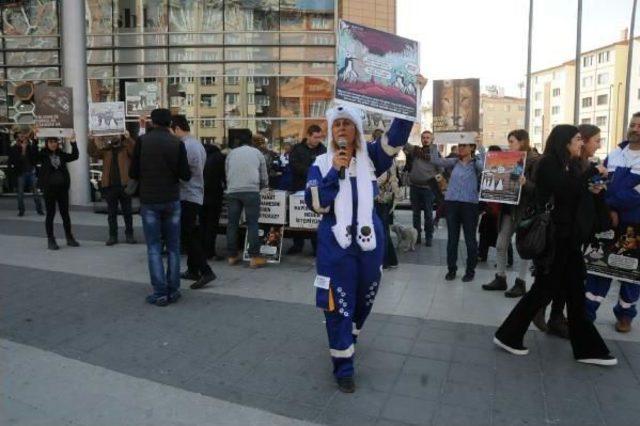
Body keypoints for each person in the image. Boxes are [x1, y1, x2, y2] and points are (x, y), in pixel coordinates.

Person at [305, 101, 416, 393]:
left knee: (362, 302)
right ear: (331, 131)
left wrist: (410, 95)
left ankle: (348, 339)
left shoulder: (372, 158)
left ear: (356, 129)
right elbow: (317, 204)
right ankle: (343, 367)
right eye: (337, 124)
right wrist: (334, 172)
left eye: (347, 123)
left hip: (369, 246)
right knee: (337, 304)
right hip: (335, 249)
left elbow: (397, 136)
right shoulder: (320, 164)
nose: (342, 128)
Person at [494, 124, 617, 366]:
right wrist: (590, 174)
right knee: (545, 290)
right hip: (554, 241)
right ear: (564, 141)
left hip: (567, 240)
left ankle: (587, 348)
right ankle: (509, 335)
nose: (581, 143)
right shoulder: (549, 163)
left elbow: (574, 194)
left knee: (572, 293)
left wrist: (594, 187)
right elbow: (563, 190)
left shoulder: (568, 165)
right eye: (577, 139)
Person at [584, 114, 640, 333]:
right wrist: (606, 209)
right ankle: (586, 314)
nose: (635, 129)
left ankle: (625, 315)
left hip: (634, 224)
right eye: (632, 125)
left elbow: (637, 193)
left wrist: (613, 206)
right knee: (597, 267)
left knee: (631, 272)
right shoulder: (616, 153)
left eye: (639, 126)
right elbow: (602, 180)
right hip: (607, 221)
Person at [130, 109, 191, 307]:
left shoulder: (143, 141)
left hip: (149, 200)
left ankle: (160, 292)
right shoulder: (177, 143)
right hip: (172, 199)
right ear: (169, 123)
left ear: (152, 122)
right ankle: (173, 290)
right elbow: (186, 175)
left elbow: (133, 172)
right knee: (173, 247)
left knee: (154, 248)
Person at [483, 129, 539, 297]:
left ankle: (521, 282)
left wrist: (526, 183)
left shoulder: (535, 161)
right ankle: (500, 277)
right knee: (501, 244)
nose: (509, 145)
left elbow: (540, 189)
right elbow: (503, 180)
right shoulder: (508, 160)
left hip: (525, 211)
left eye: (512, 142)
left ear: (522, 142)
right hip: (509, 208)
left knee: (524, 247)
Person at [429, 135, 485, 282]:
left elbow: (487, 168)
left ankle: (470, 271)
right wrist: (434, 144)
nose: (460, 147)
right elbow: (435, 160)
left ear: (471, 147)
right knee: (452, 240)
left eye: (464, 145)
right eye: (459, 145)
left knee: (470, 240)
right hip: (452, 204)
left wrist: (481, 147)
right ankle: (451, 270)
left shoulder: (476, 164)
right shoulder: (454, 162)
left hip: (470, 205)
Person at [171, 115, 216, 290]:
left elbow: (186, 172)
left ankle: (206, 271)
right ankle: (193, 269)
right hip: (194, 193)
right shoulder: (196, 144)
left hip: (188, 194)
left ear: (176, 128)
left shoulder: (187, 146)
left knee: (189, 235)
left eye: (170, 130)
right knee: (192, 233)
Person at [225, 130, 268, 268]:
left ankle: (232, 256)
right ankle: (254, 257)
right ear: (251, 141)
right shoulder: (257, 153)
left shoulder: (231, 153)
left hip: (233, 191)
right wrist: (263, 186)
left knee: (232, 224)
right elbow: (263, 175)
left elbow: (227, 172)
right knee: (252, 223)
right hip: (251, 191)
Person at [88, 134, 137, 245]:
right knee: (111, 214)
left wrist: (128, 137)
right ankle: (112, 236)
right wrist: (91, 140)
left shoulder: (126, 147)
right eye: (112, 134)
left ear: (120, 135)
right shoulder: (106, 150)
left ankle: (129, 235)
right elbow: (92, 152)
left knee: (128, 212)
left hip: (125, 185)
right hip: (110, 186)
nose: (114, 136)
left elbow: (135, 151)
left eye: (116, 134)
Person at [288, 124, 326, 255]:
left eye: (320, 137)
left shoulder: (323, 149)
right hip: (299, 186)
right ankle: (297, 245)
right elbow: (293, 164)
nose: (318, 140)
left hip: (317, 189)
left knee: (315, 218)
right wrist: (310, 172)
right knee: (297, 217)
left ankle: (316, 246)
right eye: (315, 137)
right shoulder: (297, 149)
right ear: (308, 136)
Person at [39, 133, 80, 250]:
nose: (53, 144)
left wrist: (73, 142)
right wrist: (34, 139)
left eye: (55, 142)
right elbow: (31, 157)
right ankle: (51, 239)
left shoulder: (61, 154)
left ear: (58, 143)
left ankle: (69, 237)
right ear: (47, 143)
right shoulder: (42, 154)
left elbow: (75, 156)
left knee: (65, 214)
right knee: (50, 214)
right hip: (49, 190)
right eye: (50, 142)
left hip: (62, 189)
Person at [405, 130, 441, 246]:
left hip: (428, 189)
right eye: (424, 137)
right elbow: (404, 144)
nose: (425, 139)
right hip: (414, 188)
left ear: (432, 140)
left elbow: (441, 171)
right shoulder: (415, 151)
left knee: (428, 214)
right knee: (415, 214)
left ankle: (429, 236)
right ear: (421, 139)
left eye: (428, 138)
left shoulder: (436, 155)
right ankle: (417, 236)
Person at [8, 129, 43, 216]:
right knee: (20, 194)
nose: (23, 138)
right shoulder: (13, 149)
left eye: (23, 136)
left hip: (31, 172)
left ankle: (39, 210)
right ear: (17, 139)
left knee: (36, 193)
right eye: (20, 137)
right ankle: (21, 211)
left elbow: (36, 154)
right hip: (21, 174)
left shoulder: (29, 147)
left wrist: (34, 140)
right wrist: (23, 149)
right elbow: (17, 162)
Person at [375, 155, 401, 269]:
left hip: (381, 200)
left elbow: (380, 180)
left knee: (382, 231)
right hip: (385, 199)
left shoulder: (385, 161)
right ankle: (391, 260)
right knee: (384, 230)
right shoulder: (388, 159)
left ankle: (384, 261)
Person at [201, 142, 226, 260]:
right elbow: (224, 176)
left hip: (200, 195)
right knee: (212, 225)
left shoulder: (202, 155)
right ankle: (209, 251)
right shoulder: (219, 157)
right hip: (214, 195)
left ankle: (202, 250)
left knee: (202, 224)